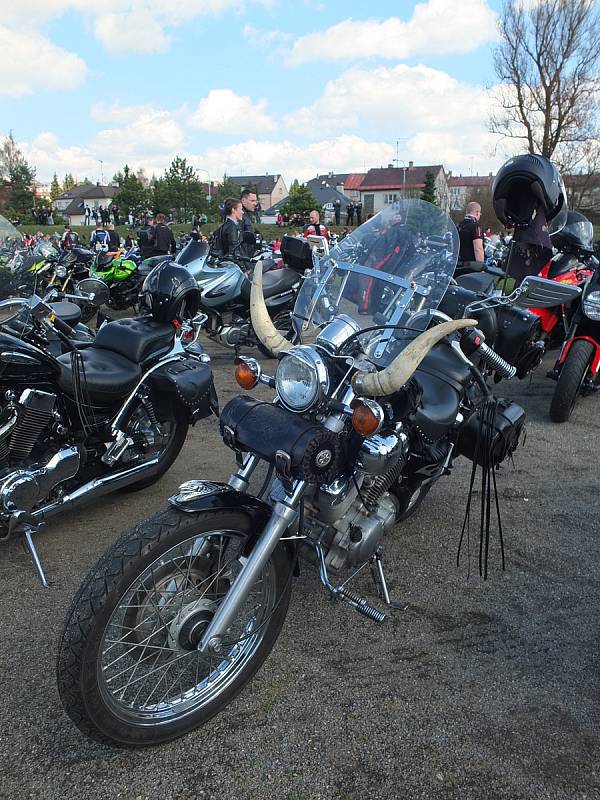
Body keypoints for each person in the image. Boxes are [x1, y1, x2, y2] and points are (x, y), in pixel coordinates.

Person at [240, 189, 258, 258]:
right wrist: (246, 265)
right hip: (244, 260)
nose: (255, 203)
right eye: (252, 201)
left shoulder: (245, 215)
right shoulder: (240, 216)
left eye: (255, 201)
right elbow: (238, 243)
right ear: (243, 201)